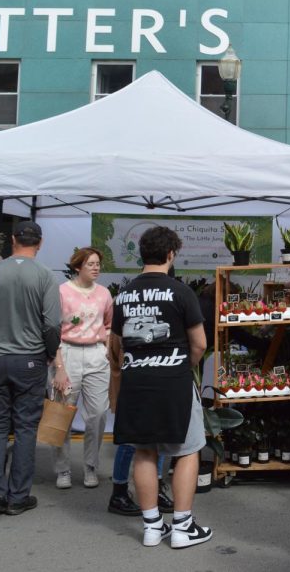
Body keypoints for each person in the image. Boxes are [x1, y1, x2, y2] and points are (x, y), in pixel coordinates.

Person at [110, 226, 211, 549]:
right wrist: (183, 365)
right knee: (188, 451)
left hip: (136, 382)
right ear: (171, 255)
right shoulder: (181, 292)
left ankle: (152, 527)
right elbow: (199, 344)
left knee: (143, 449)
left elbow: (115, 348)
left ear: (142, 254)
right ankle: (182, 527)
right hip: (174, 382)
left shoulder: (123, 295)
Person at [0, 220, 61, 517]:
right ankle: (18, 495)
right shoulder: (46, 276)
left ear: (13, 239)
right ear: (40, 242)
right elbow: (51, 324)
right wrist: (50, 353)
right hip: (30, 359)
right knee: (25, 428)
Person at [52, 247, 114, 490]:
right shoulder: (61, 292)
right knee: (62, 413)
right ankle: (63, 468)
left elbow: (109, 324)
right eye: (91, 264)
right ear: (77, 267)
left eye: (98, 263)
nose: (96, 268)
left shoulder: (104, 294)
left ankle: (91, 465)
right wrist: (58, 366)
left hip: (97, 355)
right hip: (67, 353)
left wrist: (108, 350)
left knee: (99, 413)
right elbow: (53, 329)